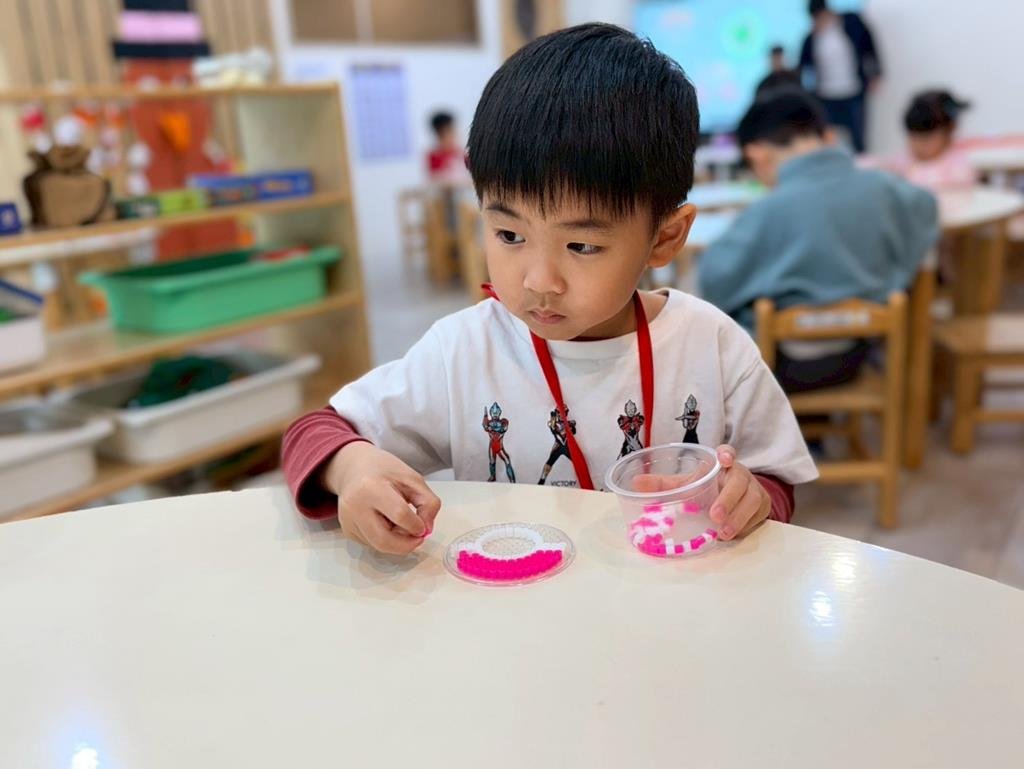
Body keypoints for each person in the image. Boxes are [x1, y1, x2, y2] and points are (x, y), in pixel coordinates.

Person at [282, 24, 817, 556]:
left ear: (664, 239)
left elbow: (773, 481)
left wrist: (747, 497)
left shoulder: (713, 347)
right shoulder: (464, 352)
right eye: (509, 235)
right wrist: (352, 467)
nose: (538, 280)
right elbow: (314, 431)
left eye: (582, 245)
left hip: (669, 600)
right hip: (513, 598)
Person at [698, 89, 939, 393]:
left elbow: (713, 279)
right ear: (826, 136)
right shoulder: (884, 187)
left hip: (787, 364)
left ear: (757, 153)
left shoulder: (767, 211)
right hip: (861, 350)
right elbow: (927, 207)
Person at [798, 0, 881, 153]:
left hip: (853, 91)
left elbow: (869, 48)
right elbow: (804, 67)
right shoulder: (811, 39)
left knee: (858, 138)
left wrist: (875, 74)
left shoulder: (852, 22)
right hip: (826, 96)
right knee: (828, 139)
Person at [898, 90, 976, 191]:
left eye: (925, 139)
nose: (917, 145)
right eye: (912, 138)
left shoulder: (962, 166)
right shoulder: (903, 162)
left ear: (951, 129)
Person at [426, 111, 467, 182]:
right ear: (439, 136)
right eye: (446, 133)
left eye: (453, 131)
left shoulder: (462, 153)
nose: (452, 136)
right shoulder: (435, 155)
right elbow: (434, 178)